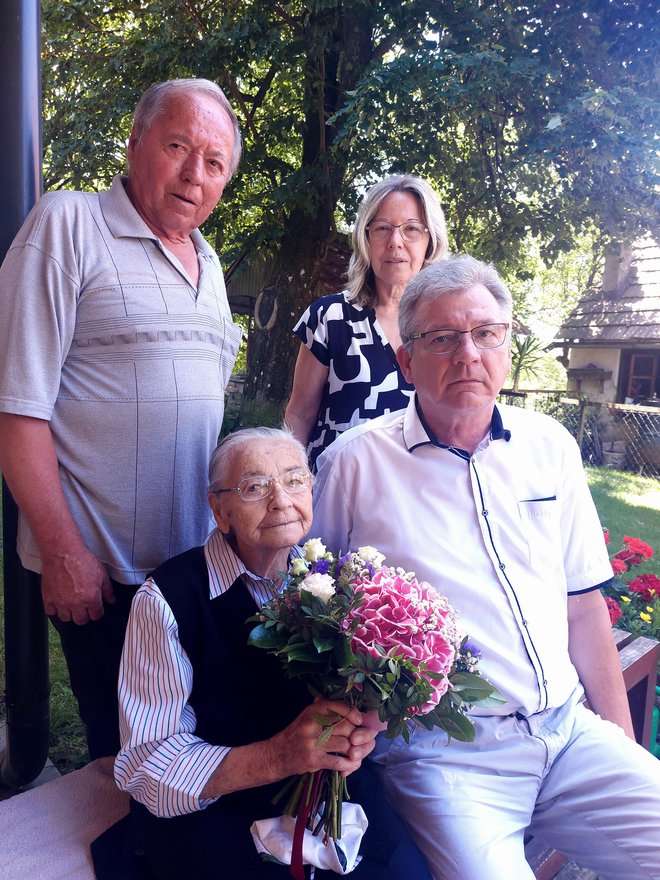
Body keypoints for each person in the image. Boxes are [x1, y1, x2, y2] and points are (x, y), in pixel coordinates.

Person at [312, 255, 660, 880]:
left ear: (505, 344)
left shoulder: (549, 446)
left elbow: (584, 606)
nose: (466, 354)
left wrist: (622, 752)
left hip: (568, 734)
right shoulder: (354, 466)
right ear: (406, 359)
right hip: (447, 755)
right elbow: (315, 617)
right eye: (442, 339)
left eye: (484, 334)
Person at [0, 78, 243, 760]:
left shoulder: (212, 265)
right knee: (125, 758)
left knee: (189, 745)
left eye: (215, 162)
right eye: (177, 146)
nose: (195, 173)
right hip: (102, 574)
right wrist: (62, 552)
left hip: (190, 571)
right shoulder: (67, 224)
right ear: (135, 144)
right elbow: (16, 408)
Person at [114, 427, 432, 880]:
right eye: (255, 487)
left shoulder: (337, 582)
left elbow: (354, 697)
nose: (281, 500)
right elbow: (146, 763)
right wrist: (279, 757)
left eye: (295, 480)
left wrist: (358, 730)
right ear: (219, 511)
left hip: (327, 791)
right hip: (218, 803)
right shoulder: (167, 600)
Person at [284, 175, 448, 469]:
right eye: (382, 229)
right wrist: (290, 480)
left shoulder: (448, 328)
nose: (395, 242)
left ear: (430, 241)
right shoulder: (330, 318)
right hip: (334, 497)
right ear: (365, 238)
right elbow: (300, 416)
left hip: (418, 499)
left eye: (411, 229)